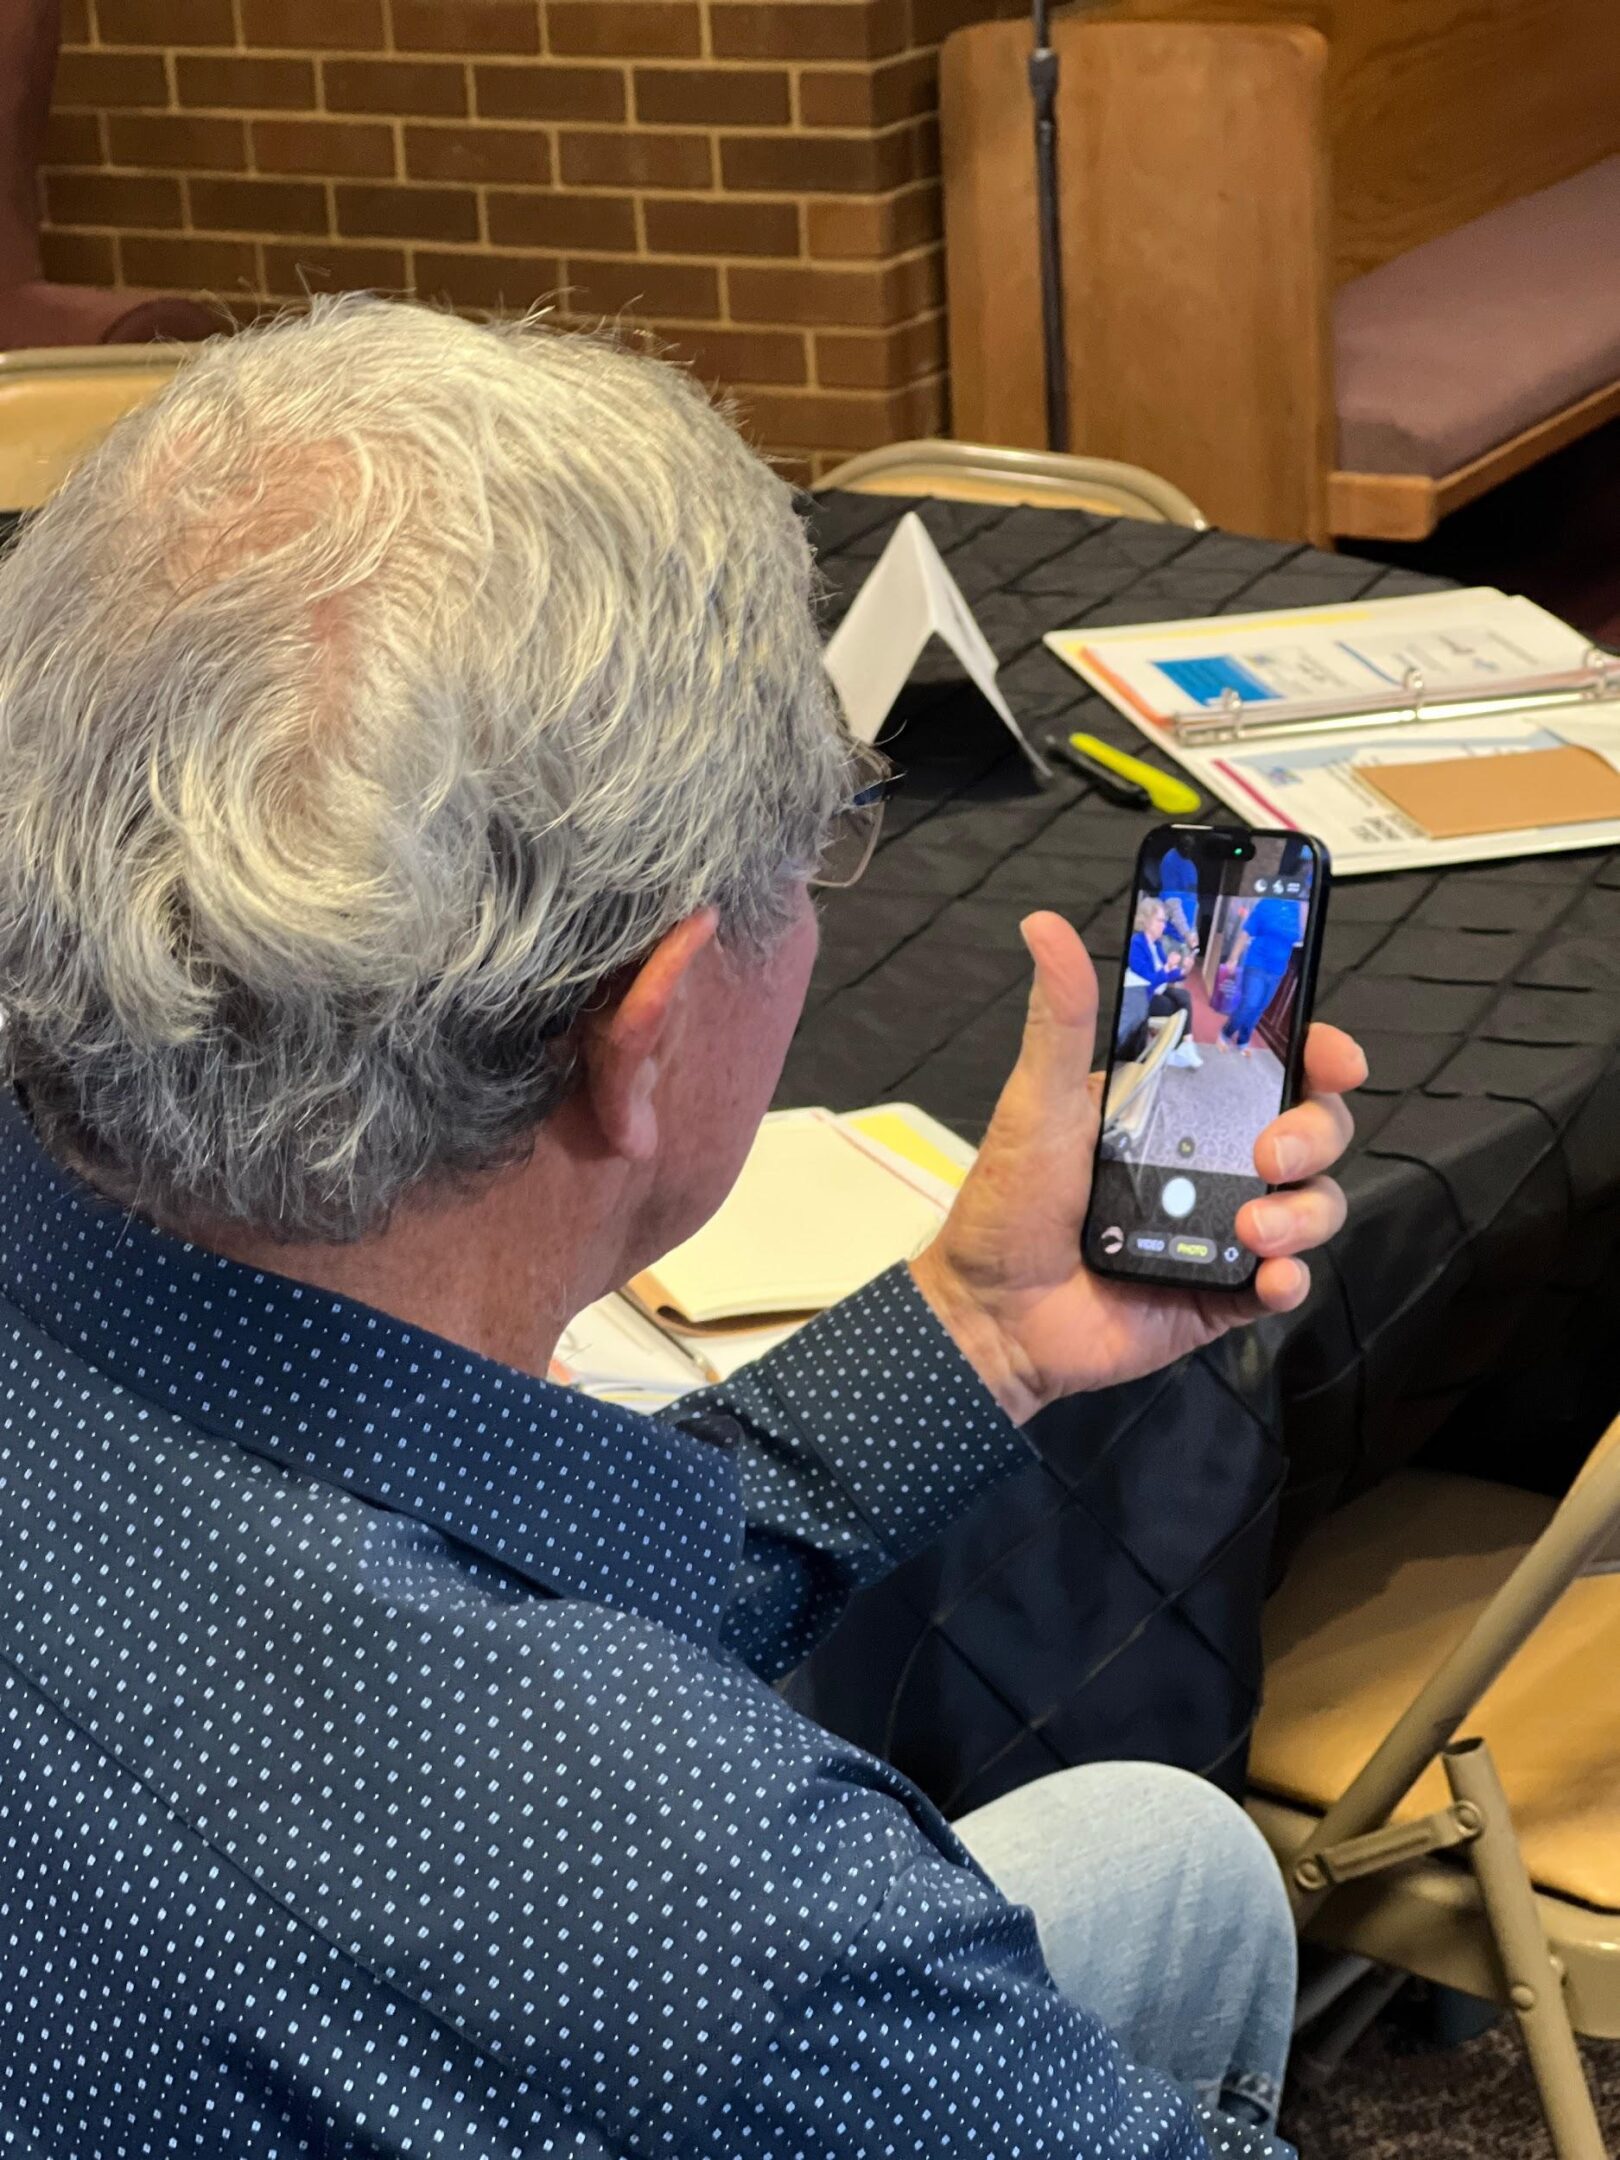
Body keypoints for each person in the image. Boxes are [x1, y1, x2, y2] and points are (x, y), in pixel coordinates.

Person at [0, 299, 1365, 2160]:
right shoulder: (736, 1925)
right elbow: (521, 1803)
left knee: (1170, 1857)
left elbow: (408, 1633)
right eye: (819, 848)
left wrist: (980, 1325)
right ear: (640, 1041)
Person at [1221, 892, 1307, 1055]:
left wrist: (1304, 909)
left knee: (1259, 1008)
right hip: (1256, 963)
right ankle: (1226, 1032)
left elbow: (1300, 936)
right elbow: (1246, 931)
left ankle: (1243, 1040)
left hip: (1277, 970)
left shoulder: (1299, 910)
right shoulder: (1268, 902)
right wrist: (1233, 958)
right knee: (1250, 1003)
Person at [1125, 895, 1204, 1068]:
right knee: (1175, 1007)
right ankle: (1174, 1050)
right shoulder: (1136, 944)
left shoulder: (1156, 944)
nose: (1164, 925)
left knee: (1183, 995)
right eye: (1160, 920)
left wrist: (1185, 970)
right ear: (1146, 921)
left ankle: (1186, 1047)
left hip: (1155, 990)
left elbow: (1169, 976)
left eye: (1164, 920)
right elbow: (1148, 981)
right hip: (1141, 995)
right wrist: (1167, 967)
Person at [1158, 839, 1201, 951]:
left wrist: (1193, 930)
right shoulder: (1170, 861)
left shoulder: (1190, 865)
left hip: (1184, 936)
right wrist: (1188, 934)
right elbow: (1172, 905)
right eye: (1186, 847)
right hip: (1170, 937)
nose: (1188, 851)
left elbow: (1194, 900)